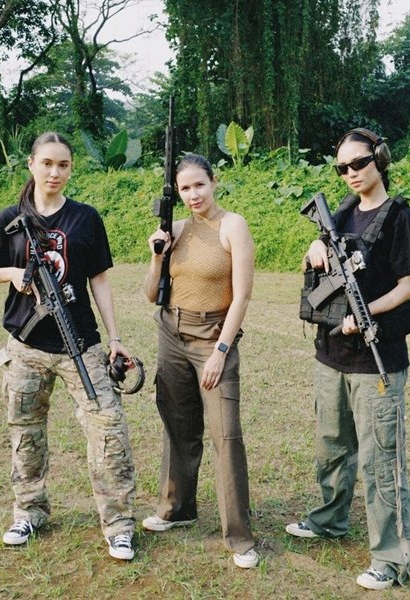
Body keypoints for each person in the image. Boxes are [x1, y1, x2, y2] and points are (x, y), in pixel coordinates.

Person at [0, 132, 138, 561]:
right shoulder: (9, 219)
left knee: (108, 429)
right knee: (26, 433)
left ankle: (118, 524)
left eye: (62, 165)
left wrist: (114, 339)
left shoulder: (85, 219)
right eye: (47, 163)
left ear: (70, 169)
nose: (54, 172)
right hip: (26, 346)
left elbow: (99, 279)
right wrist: (9, 271)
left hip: (80, 343)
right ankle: (29, 510)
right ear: (31, 165)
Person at [286, 128, 410, 591]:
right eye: (341, 168)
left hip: (375, 357)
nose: (350, 174)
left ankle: (392, 556)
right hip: (331, 356)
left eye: (358, 164)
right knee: (331, 444)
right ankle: (329, 519)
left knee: (381, 460)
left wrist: (365, 317)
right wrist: (316, 247)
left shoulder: (398, 218)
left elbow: (406, 287)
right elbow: (314, 265)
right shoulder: (339, 214)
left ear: (380, 160)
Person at [140, 153, 259, 568]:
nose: (193, 195)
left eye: (199, 185)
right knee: (177, 424)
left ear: (214, 182)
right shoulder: (173, 229)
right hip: (171, 333)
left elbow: (242, 295)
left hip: (214, 338)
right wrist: (157, 255)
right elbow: (150, 293)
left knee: (225, 435)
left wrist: (221, 352)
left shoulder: (233, 225)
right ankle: (176, 508)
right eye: (185, 188)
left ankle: (239, 537)